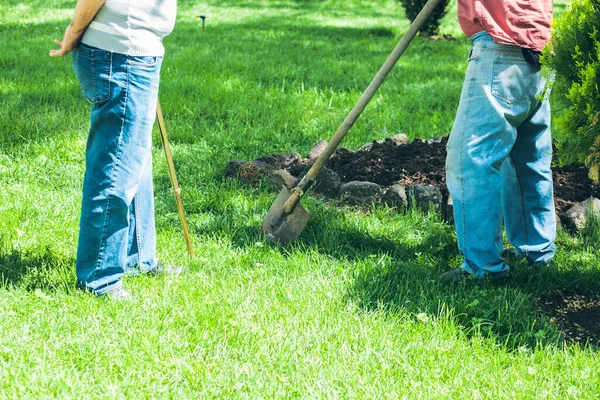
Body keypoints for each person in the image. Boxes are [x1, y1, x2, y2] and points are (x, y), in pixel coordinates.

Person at [50, 0, 180, 299]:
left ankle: (138, 259)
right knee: (116, 167)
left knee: (133, 160)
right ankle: (100, 278)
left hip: (135, 52)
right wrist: (73, 31)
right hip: (120, 54)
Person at [441, 0, 556, 281]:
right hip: (540, 48)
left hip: (500, 48)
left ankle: (482, 269)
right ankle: (537, 254)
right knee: (527, 160)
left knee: (470, 160)